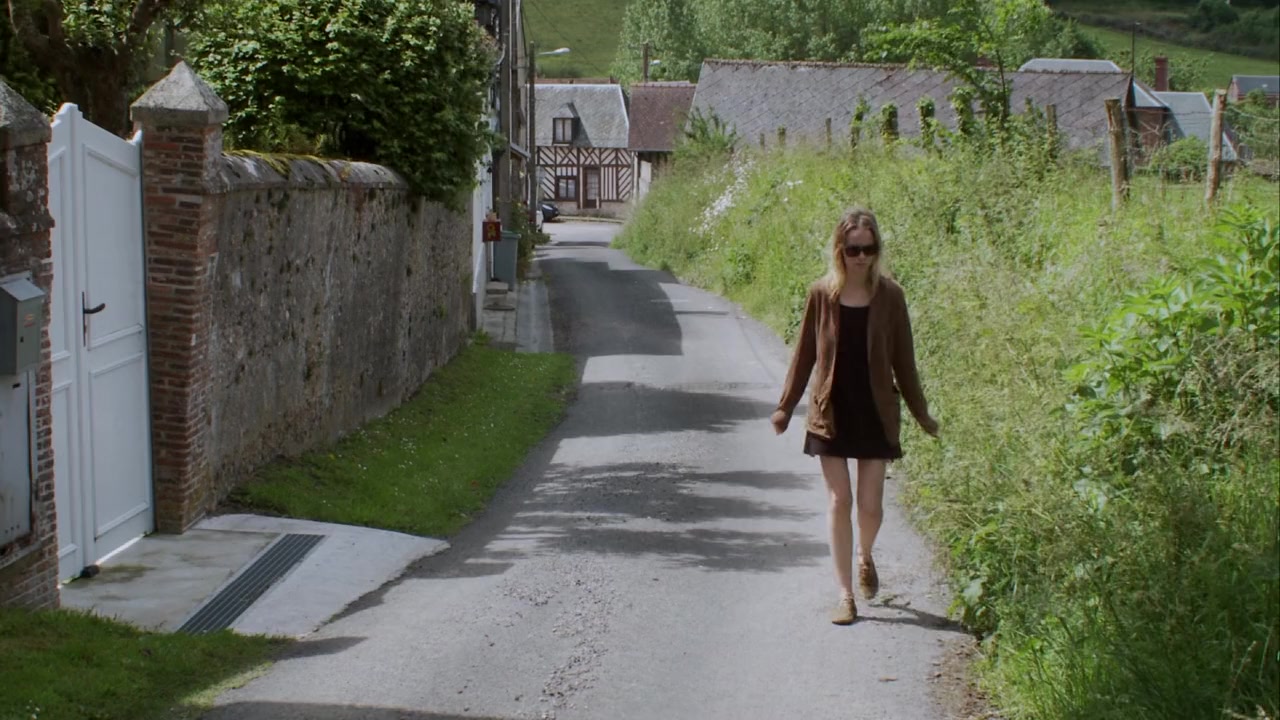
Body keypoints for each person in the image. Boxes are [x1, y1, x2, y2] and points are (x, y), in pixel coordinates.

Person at [770, 206, 939, 625]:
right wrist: (785, 407)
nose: (862, 257)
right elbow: (804, 355)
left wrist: (921, 414)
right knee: (839, 500)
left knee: (870, 506)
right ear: (839, 250)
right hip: (830, 411)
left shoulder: (891, 297)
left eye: (869, 248)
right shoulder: (821, 295)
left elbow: (905, 362)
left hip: (875, 411)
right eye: (853, 249)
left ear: (877, 249)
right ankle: (845, 594)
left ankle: (865, 553)